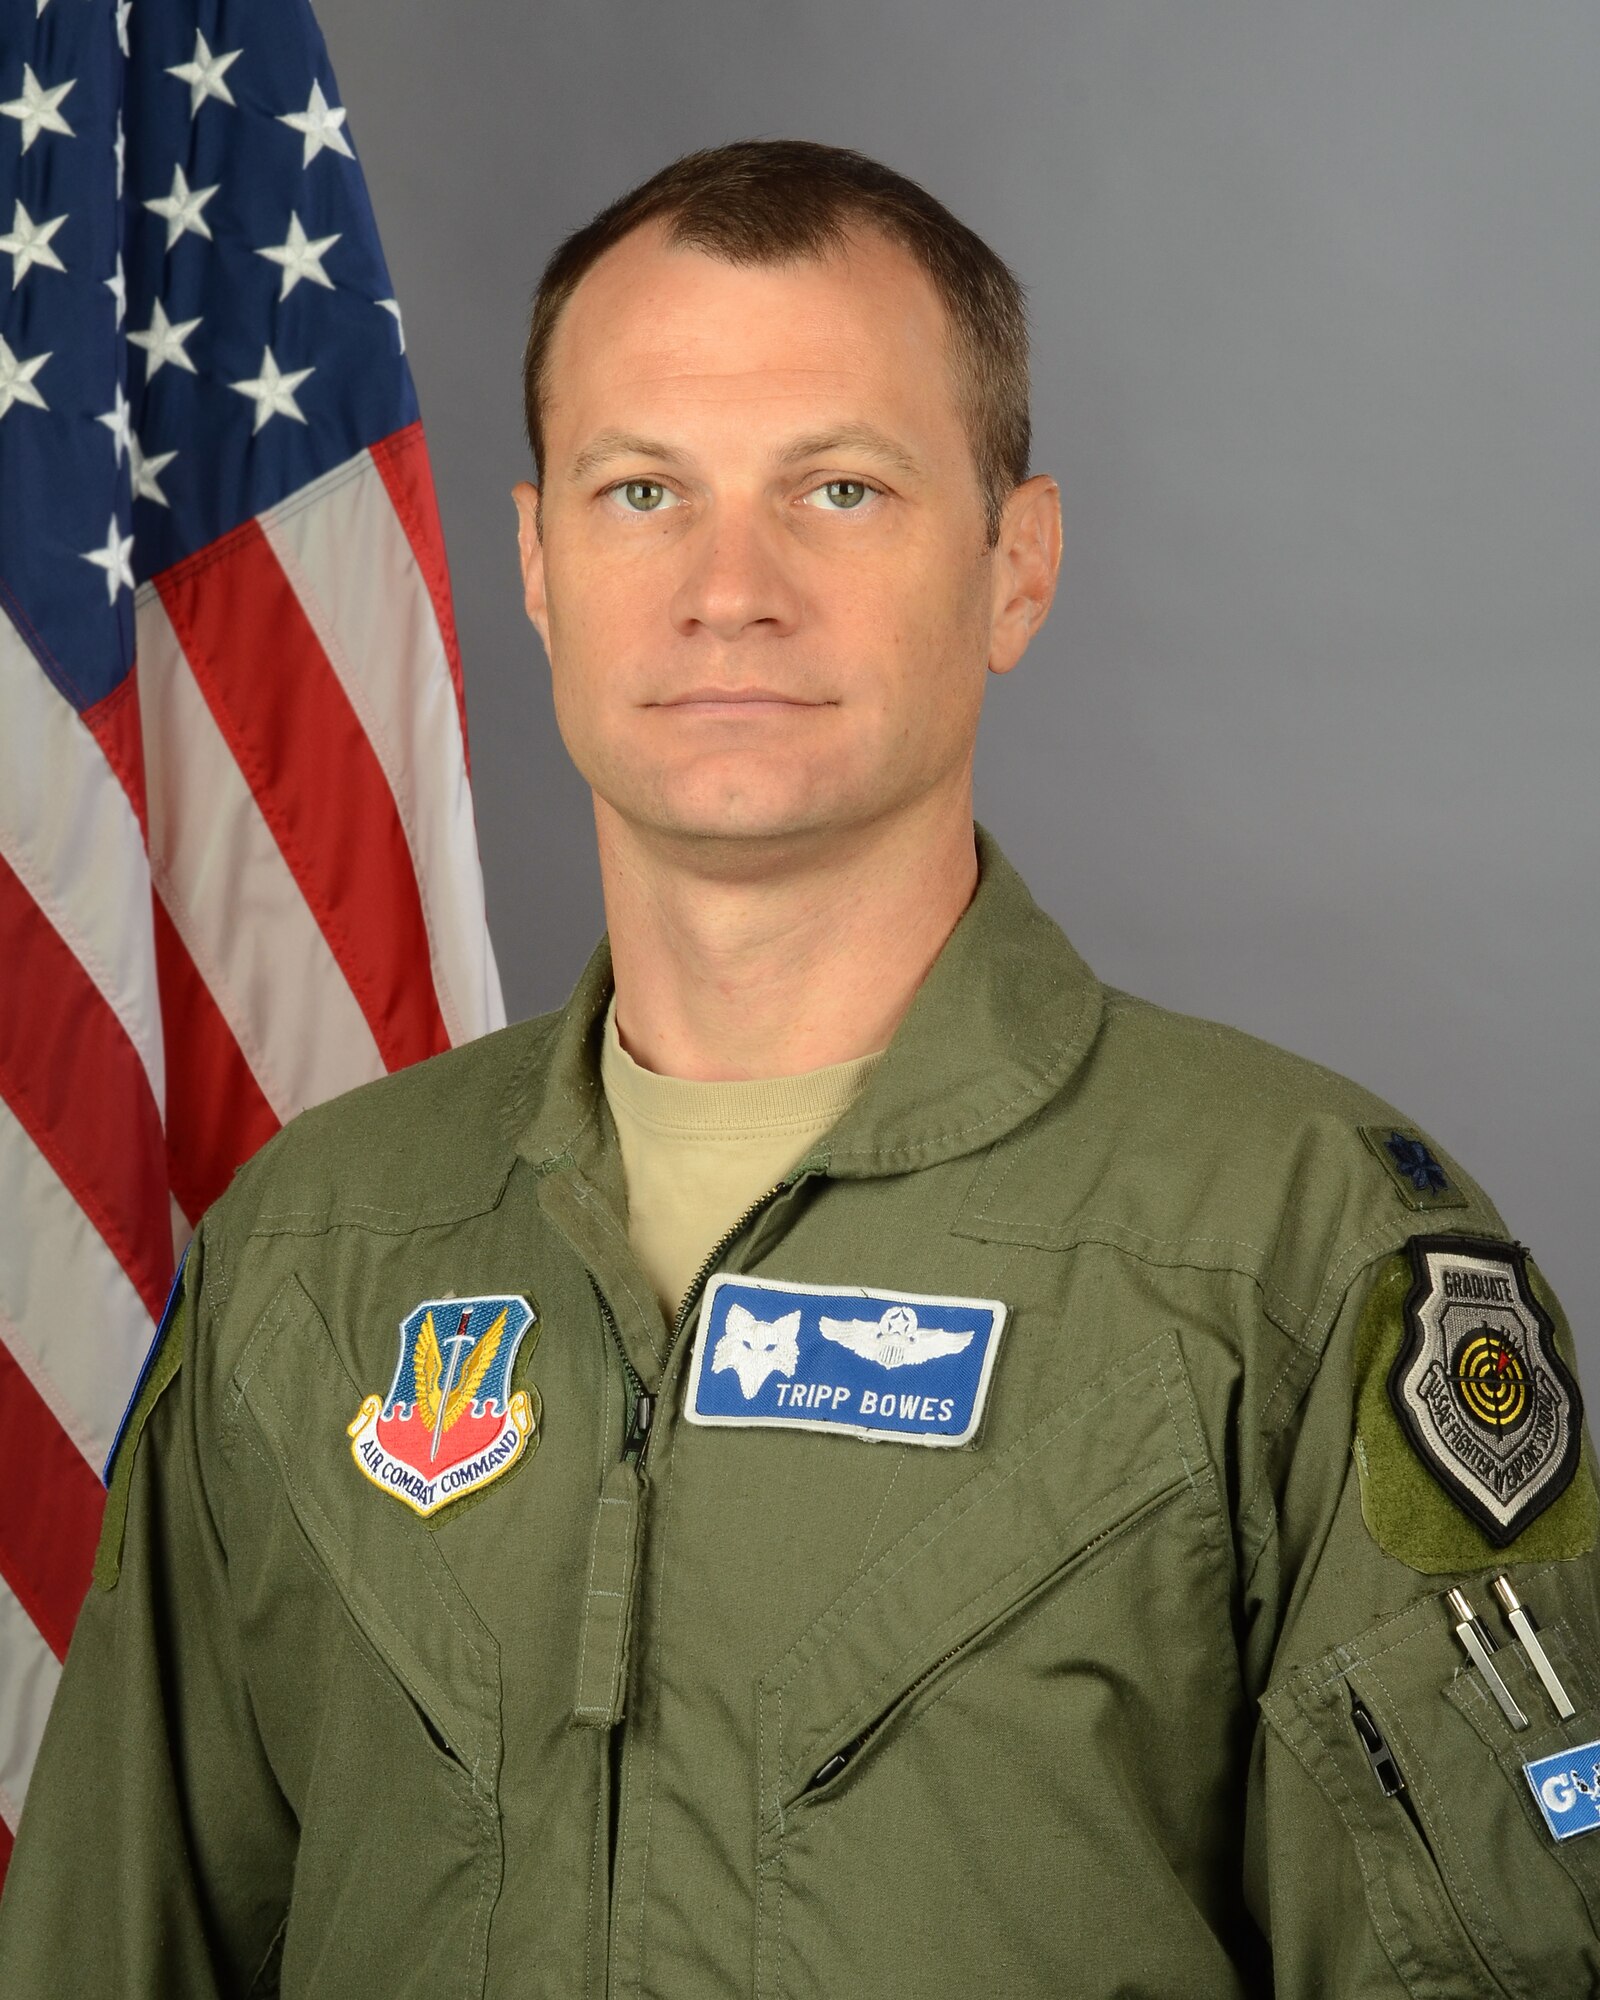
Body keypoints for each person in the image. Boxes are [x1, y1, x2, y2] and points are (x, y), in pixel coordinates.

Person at [1, 137, 1596, 1998]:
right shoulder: (317, 1254)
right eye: (640, 491)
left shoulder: (1299, 1260)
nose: (728, 586)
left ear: (1018, 565)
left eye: (838, 488)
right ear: (533, 565)